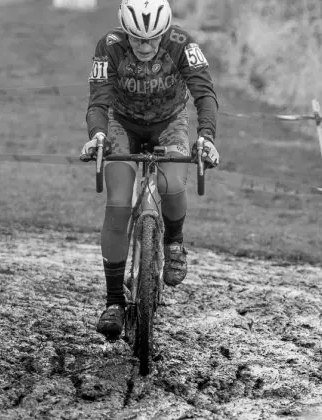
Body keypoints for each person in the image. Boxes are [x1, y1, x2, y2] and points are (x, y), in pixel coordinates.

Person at [80, 0, 220, 340]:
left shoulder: (183, 46)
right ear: (126, 32)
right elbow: (98, 99)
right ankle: (114, 301)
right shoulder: (109, 47)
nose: (145, 46)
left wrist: (206, 138)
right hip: (121, 125)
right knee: (117, 207)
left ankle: (173, 243)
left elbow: (204, 94)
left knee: (172, 184)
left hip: (169, 124)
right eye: (137, 39)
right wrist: (97, 135)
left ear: (165, 32)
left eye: (153, 39)